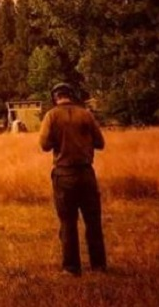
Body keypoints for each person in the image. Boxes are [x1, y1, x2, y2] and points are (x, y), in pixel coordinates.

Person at [39, 82, 107, 276]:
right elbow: (100, 143)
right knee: (93, 220)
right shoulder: (85, 114)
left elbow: (44, 144)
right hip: (86, 173)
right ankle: (99, 265)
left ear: (55, 97)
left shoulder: (51, 116)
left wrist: (59, 141)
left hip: (64, 174)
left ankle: (71, 267)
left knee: (67, 221)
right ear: (72, 95)